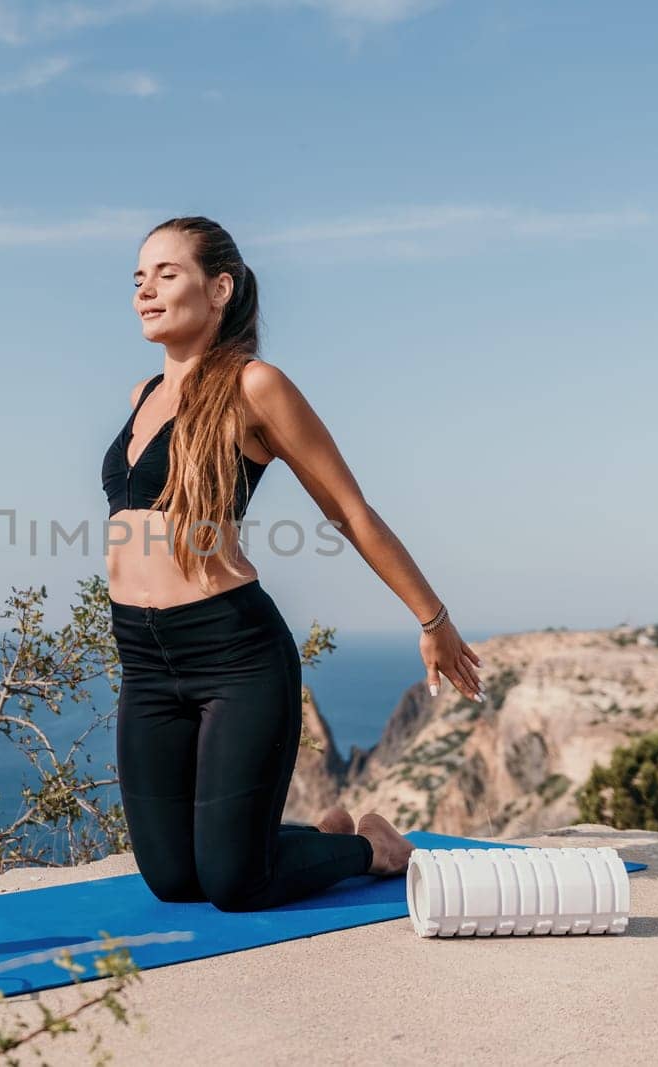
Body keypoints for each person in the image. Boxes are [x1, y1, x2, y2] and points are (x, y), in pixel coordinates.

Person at [101, 216, 485, 912]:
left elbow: (351, 511)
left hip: (233, 653)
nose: (145, 291)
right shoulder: (141, 398)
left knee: (234, 886)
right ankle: (328, 831)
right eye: (138, 278)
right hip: (145, 661)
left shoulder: (254, 385)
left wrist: (434, 618)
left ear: (219, 288)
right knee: (173, 879)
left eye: (167, 273)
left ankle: (373, 846)